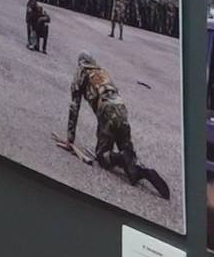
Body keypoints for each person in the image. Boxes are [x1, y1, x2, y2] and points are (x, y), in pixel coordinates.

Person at [67, 53, 171, 199]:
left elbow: (74, 106)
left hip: (106, 112)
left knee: (102, 158)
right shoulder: (103, 72)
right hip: (121, 109)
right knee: (127, 148)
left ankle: (121, 158)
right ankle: (138, 168)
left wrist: (70, 138)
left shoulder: (81, 73)